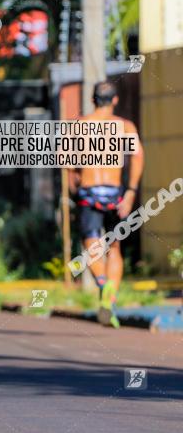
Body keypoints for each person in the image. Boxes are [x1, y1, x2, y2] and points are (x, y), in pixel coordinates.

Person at [71, 81, 145, 328]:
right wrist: (132, 192)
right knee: (114, 246)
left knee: (91, 242)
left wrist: (74, 177)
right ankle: (110, 297)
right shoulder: (125, 127)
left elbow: (67, 157)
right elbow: (137, 156)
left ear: (93, 100)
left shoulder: (80, 126)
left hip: (89, 192)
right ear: (114, 100)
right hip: (115, 194)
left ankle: (103, 284)